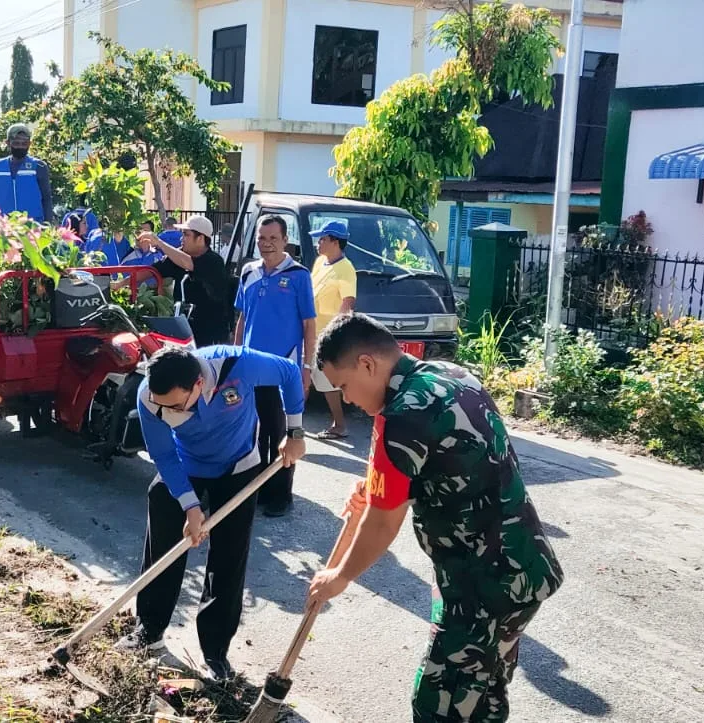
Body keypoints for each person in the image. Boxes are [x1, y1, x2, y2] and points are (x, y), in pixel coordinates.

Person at [307, 313, 563, 723]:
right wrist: (374, 485)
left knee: (437, 705)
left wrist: (338, 576)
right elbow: (439, 462)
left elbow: (382, 522)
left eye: (343, 386)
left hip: (483, 587)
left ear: (368, 365)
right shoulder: (453, 374)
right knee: (483, 691)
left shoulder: (399, 418)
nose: (347, 399)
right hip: (526, 567)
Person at [118, 344, 307, 681]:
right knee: (162, 521)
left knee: (229, 556)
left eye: (177, 405)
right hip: (185, 465)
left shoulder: (237, 364)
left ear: (198, 385)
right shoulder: (149, 395)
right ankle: (149, 629)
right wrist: (190, 504)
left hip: (238, 465)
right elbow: (162, 453)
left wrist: (294, 432)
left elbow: (290, 374)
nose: (171, 412)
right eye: (165, 407)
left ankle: (215, 651)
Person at [232, 215, 316, 518]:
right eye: (261, 238)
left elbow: (309, 325)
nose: (266, 244)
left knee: (281, 433)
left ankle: (281, 494)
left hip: (283, 369)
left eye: (273, 239)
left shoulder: (298, 275)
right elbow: (242, 319)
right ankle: (258, 489)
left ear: (284, 241)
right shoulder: (248, 272)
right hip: (250, 367)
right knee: (252, 432)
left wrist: (307, 366)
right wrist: (235, 355)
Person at [123, 215, 230, 347]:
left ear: (200, 238)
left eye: (186, 234)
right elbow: (150, 271)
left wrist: (159, 243)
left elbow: (188, 263)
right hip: (184, 330)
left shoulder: (213, 261)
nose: (181, 239)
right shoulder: (178, 257)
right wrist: (121, 284)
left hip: (210, 332)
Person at [308, 220, 359, 439]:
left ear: (335, 242)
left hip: (325, 334)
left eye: (323, 239)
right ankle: (292, 422)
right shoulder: (320, 262)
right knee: (304, 375)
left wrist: (335, 334)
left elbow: (347, 302)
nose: (318, 243)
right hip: (309, 329)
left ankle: (339, 424)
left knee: (325, 380)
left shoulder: (346, 269)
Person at [0, 124, 54, 223]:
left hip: (33, 226)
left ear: (29, 144)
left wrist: (47, 225)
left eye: (24, 144)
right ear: (8, 143)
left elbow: (46, 198)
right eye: (16, 143)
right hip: (5, 226)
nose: (20, 146)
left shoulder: (39, 166)